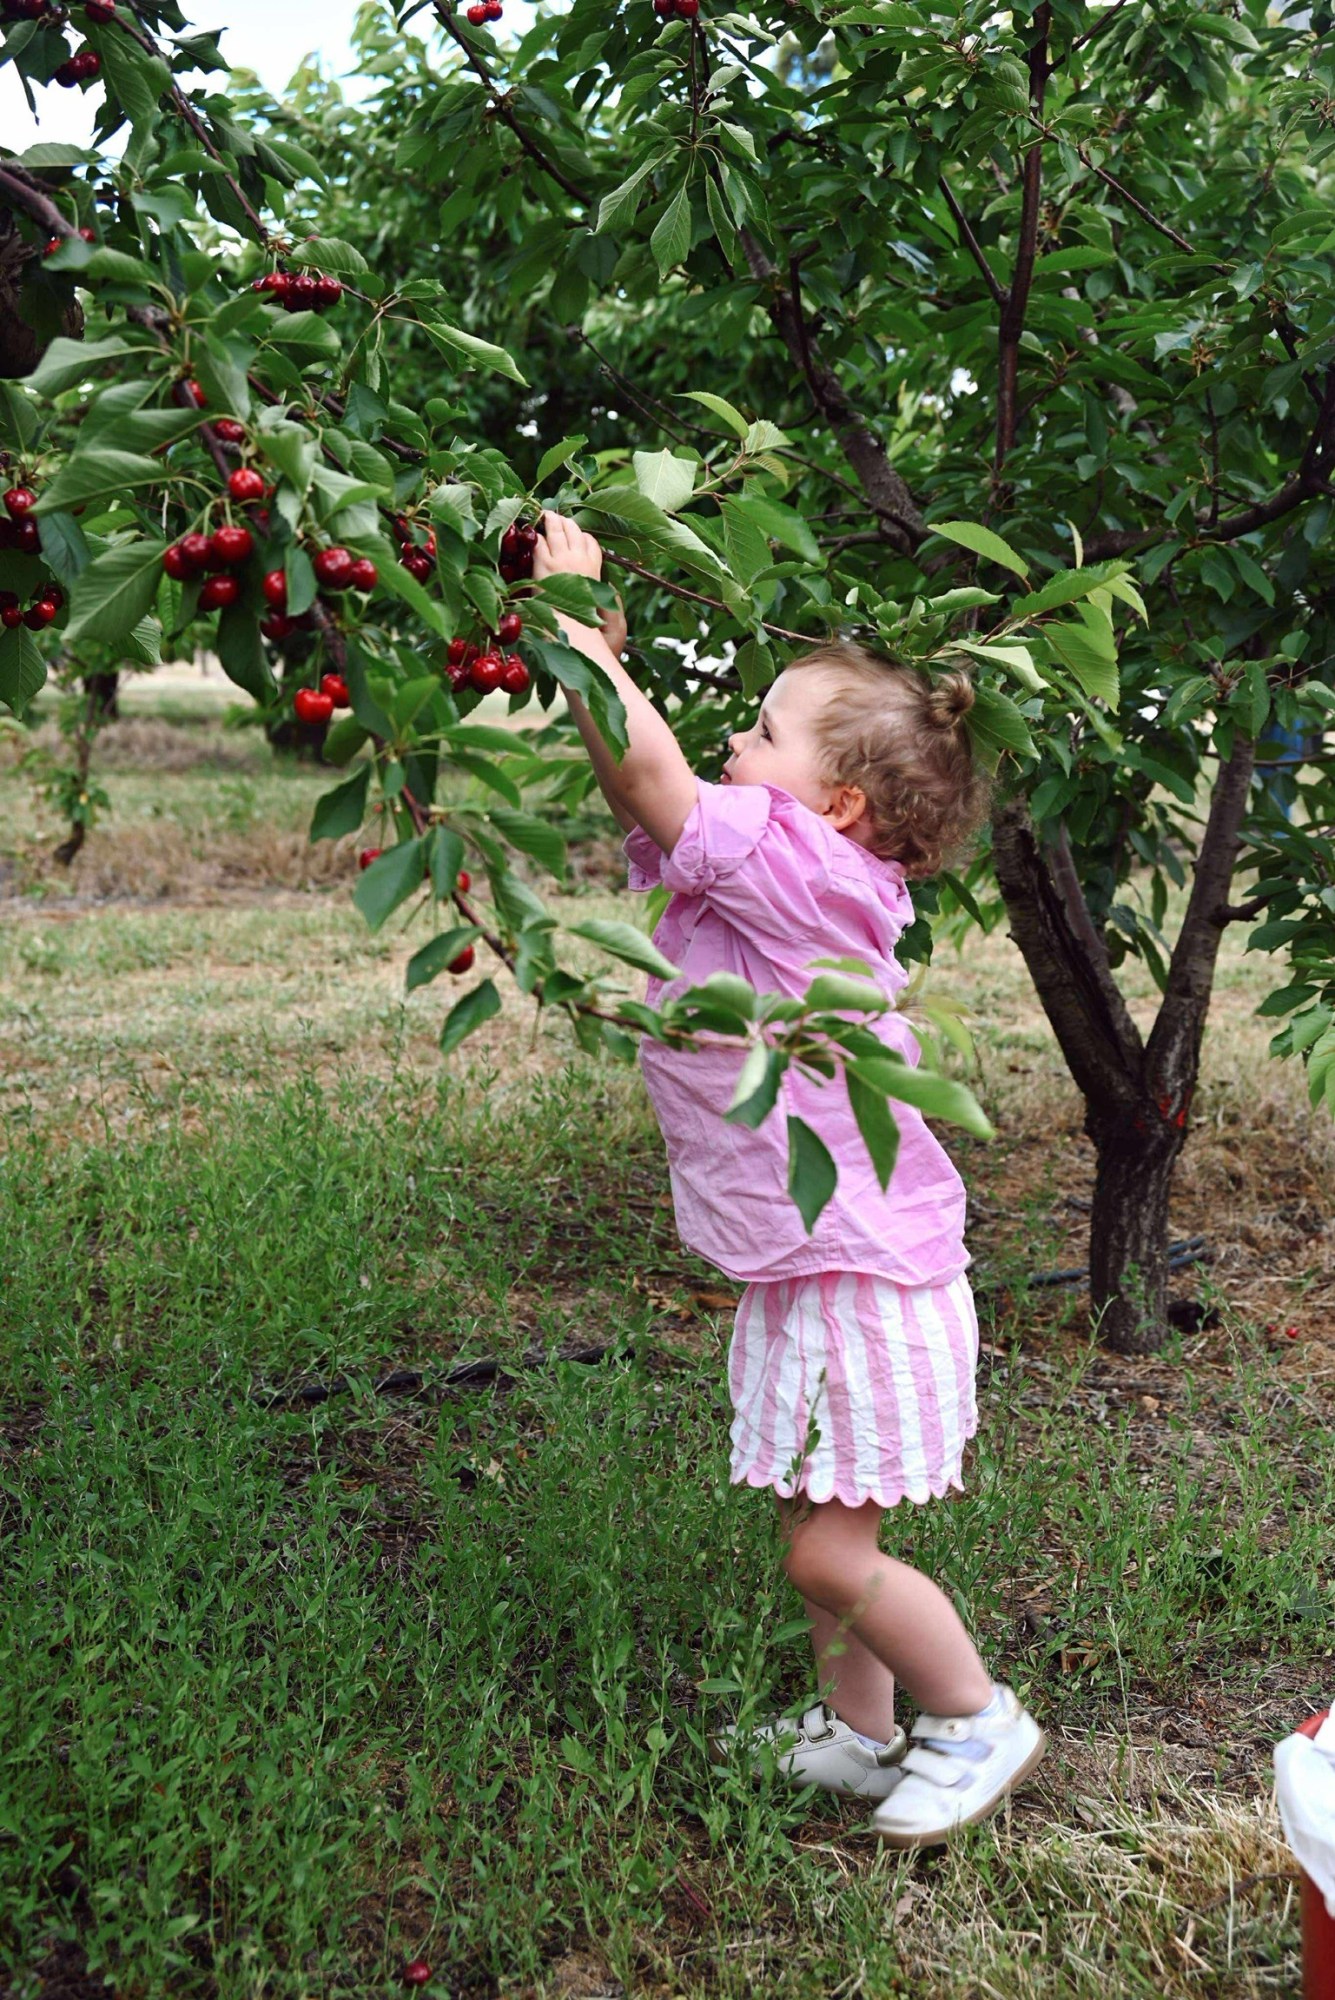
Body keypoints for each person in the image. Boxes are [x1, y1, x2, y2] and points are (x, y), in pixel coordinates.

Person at [531, 509, 1046, 1849]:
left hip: (871, 1277)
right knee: (813, 1525)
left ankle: (975, 1715)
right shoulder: (784, 865)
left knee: (832, 1552)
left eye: (760, 733)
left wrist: (580, 625)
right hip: (816, 1260)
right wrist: (597, 662)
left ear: (840, 806)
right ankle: (859, 1734)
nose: (733, 748)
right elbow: (635, 782)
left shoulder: (807, 869)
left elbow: (657, 788)